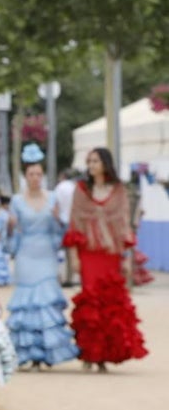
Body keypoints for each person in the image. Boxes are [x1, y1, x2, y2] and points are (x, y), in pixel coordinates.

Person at [63, 147, 148, 371]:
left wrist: (127, 258)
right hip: (88, 253)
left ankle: (104, 356)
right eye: (89, 161)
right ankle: (88, 354)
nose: (91, 165)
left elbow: (124, 226)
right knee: (90, 302)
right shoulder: (81, 190)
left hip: (111, 254)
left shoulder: (118, 191)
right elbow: (74, 224)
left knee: (109, 302)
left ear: (105, 164)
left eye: (95, 161)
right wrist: (74, 257)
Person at [5, 156, 78, 369]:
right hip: (26, 253)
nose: (35, 178)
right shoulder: (17, 201)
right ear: (25, 177)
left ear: (43, 176)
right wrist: (10, 228)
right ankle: (28, 352)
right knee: (27, 303)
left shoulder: (53, 198)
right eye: (31, 174)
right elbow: (12, 236)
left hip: (47, 253)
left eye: (38, 174)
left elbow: (60, 232)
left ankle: (46, 352)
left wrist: (57, 220)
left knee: (46, 300)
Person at [54, 168, 80, 286]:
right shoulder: (75, 187)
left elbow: (55, 206)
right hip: (73, 221)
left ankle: (61, 277)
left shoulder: (59, 188)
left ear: (62, 176)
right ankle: (71, 278)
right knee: (72, 251)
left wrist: (57, 220)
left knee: (59, 252)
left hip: (62, 221)